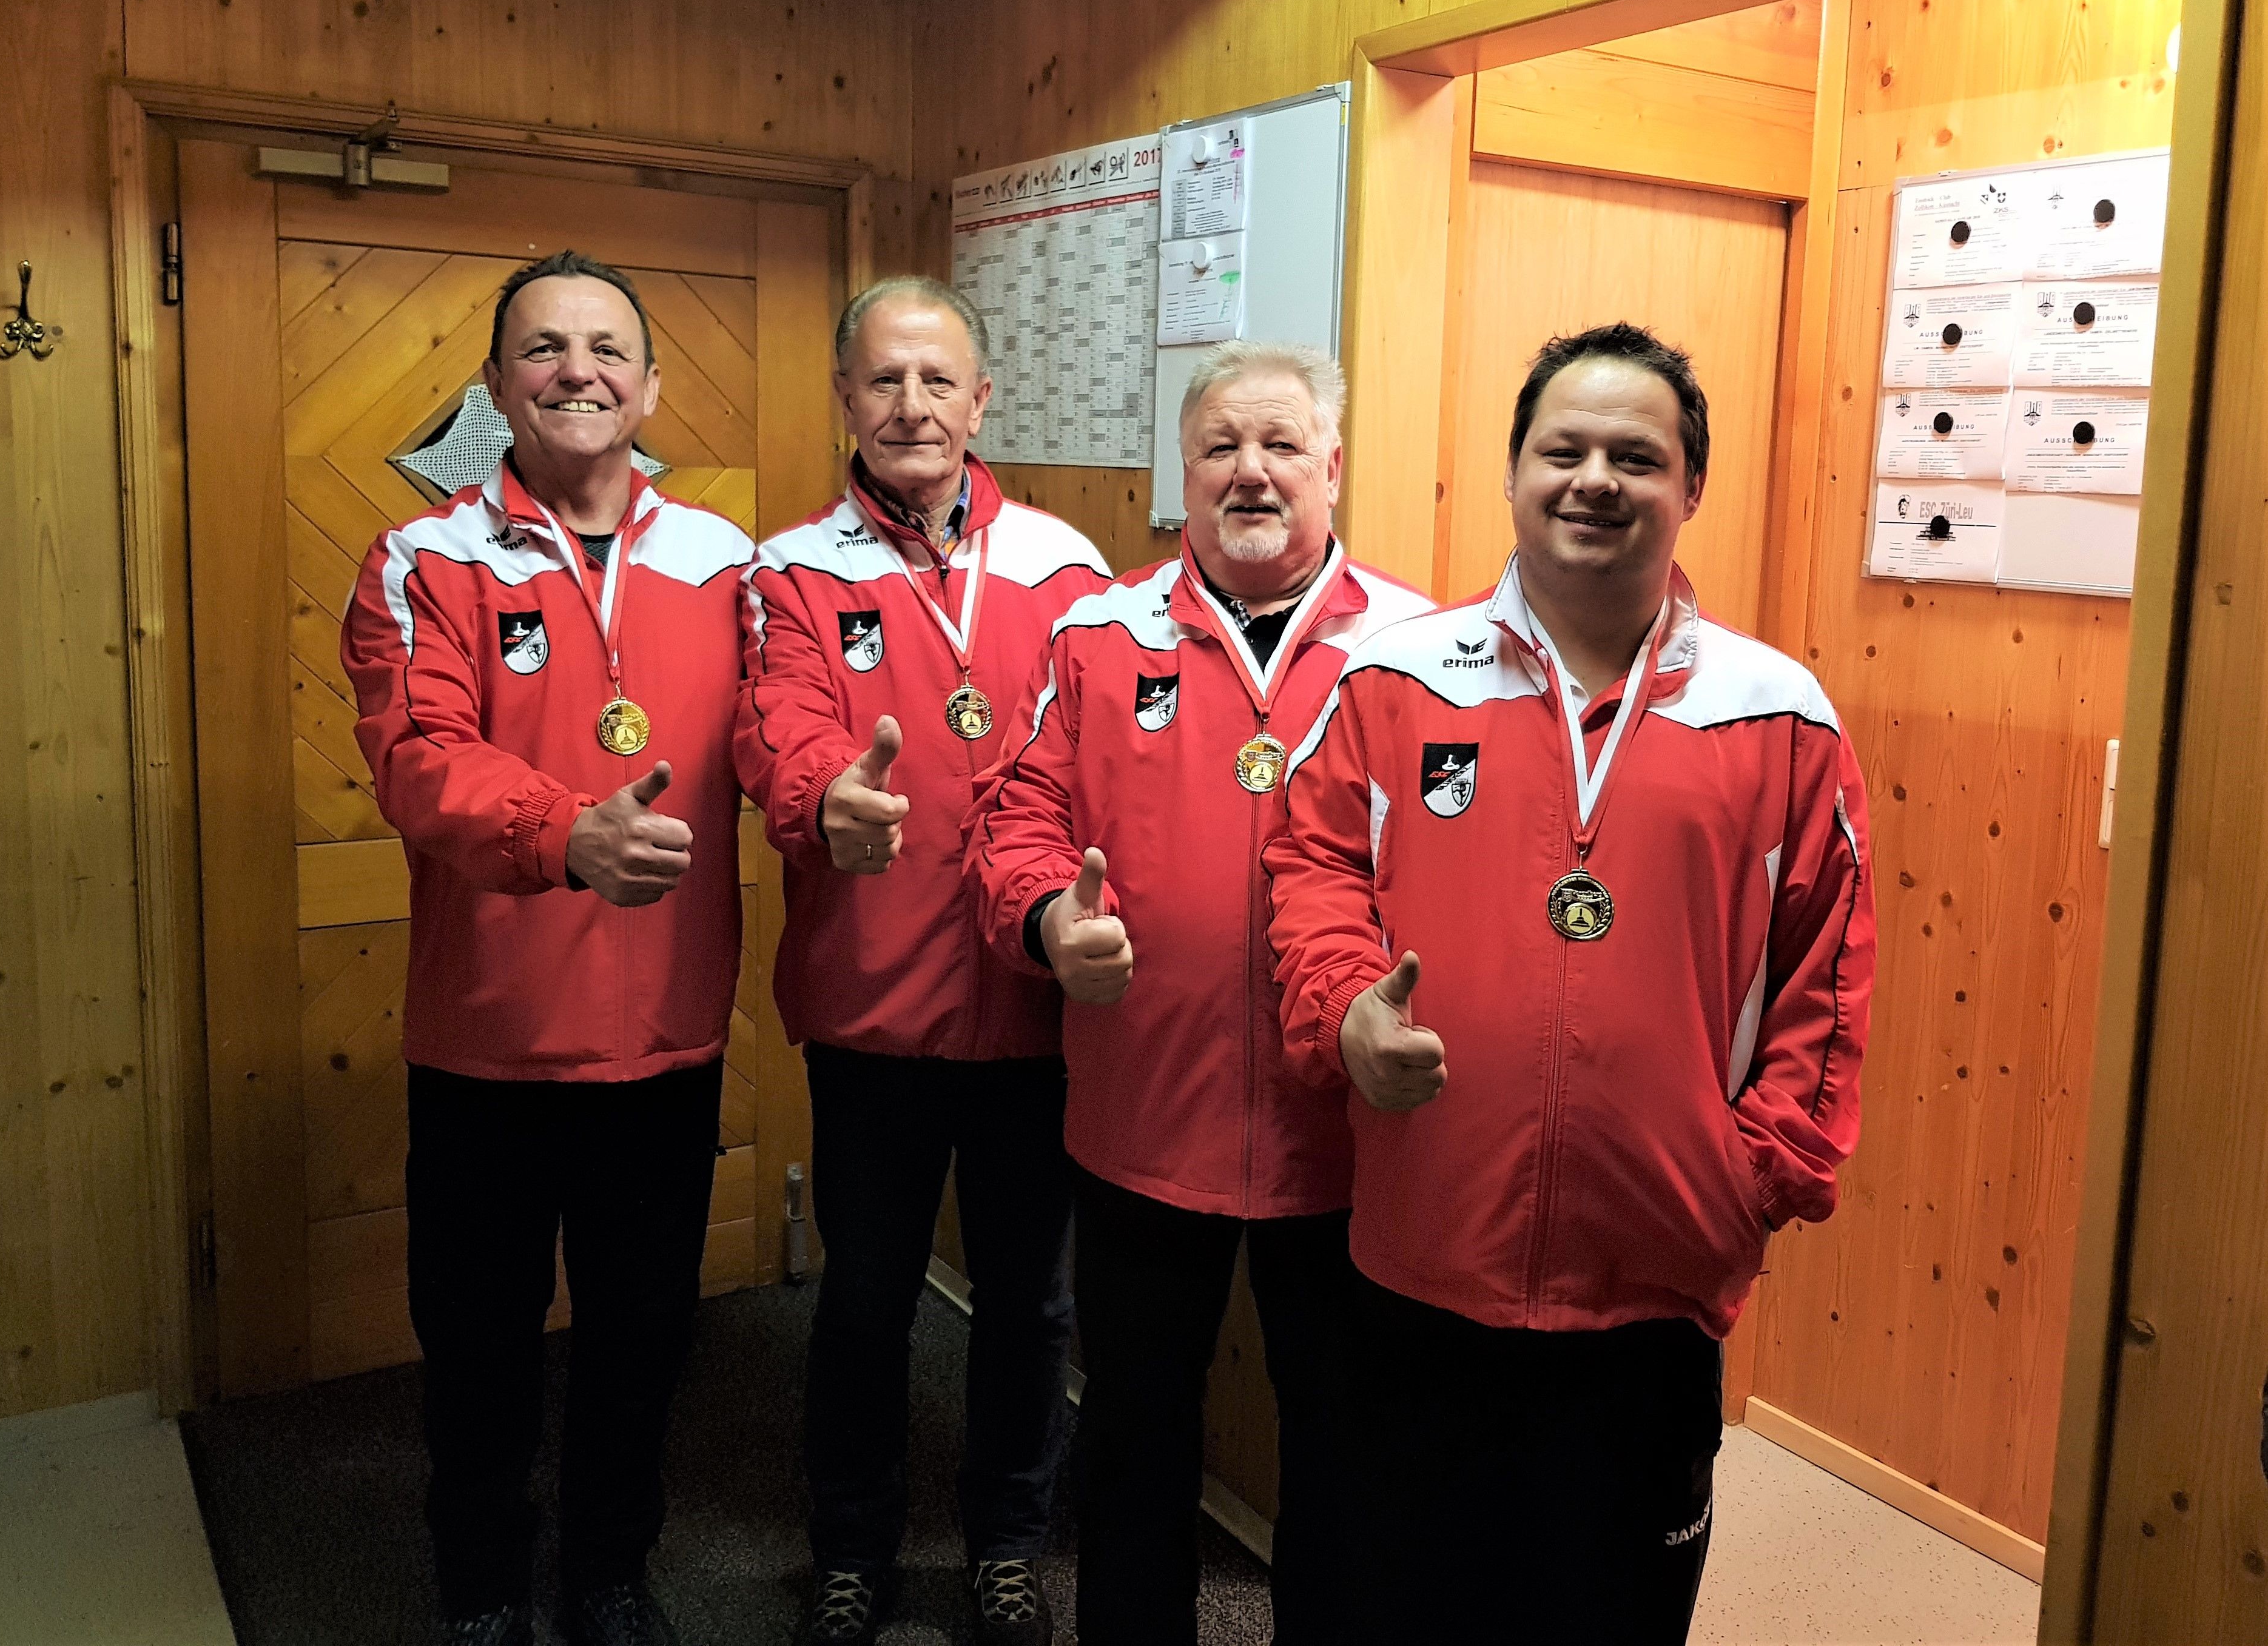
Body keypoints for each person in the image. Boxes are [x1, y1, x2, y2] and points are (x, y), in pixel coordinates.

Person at [1268, 322, 1875, 1642]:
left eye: (1634, 457)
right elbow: (1311, 872)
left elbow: (1826, 979)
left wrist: (1751, 1181)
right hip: (1420, 1258)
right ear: (1514, 472)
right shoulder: (1392, 681)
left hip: (1651, 1287)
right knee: (1400, 1610)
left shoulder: (1778, 715)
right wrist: (1343, 1010)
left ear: (1689, 487)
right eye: (1564, 450)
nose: (1594, 479)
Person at [962, 341, 1430, 1644]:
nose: (1250, 472)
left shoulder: (1420, 651)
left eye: (1280, 444)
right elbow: (1016, 821)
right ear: (1184, 472)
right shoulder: (1096, 636)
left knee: (1342, 1444)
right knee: (1131, 1435)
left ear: (1332, 465)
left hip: (1346, 1140)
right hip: (1142, 1129)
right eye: (1220, 446)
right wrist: (1046, 921)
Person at [341, 250, 752, 1646]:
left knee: (642, 1341)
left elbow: (782, 732)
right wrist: (563, 833)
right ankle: (481, 1588)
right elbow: (417, 757)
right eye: (543, 348)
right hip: (489, 1046)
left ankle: (609, 1577)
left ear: (650, 386)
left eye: (604, 348)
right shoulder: (424, 560)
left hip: (665, 1045)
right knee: (478, 1347)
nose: (577, 370)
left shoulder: (725, 565)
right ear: (496, 386)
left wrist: (837, 805)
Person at [733, 276, 1109, 1645]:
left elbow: (1097, 761)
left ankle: (1007, 1542)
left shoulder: (1069, 572)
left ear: (980, 401)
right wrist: (821, 794)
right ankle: (851, 1548)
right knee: (864, 1303)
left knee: (1030, 1308)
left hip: (1031, 1010)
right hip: (873, 1012)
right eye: (883, 381)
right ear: (845, 397)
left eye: (937, 380)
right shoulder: (789, 571)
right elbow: (777, 721)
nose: (910, 406)